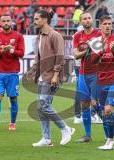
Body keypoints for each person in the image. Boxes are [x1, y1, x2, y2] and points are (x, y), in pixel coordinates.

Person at [27, 10, 75, 147]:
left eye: (37, 19)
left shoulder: (55, 35)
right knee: (41, 108)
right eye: (34, 18)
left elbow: (60, 57)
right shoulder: (39, 37)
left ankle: (65, 129)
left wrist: (55, 74)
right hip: (42, 76)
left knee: (43, 105)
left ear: (45, 20)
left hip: (52, 76)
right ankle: (46, 139)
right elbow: (38, 57)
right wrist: (32, 71)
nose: (34, 21)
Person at [91, 15, 114, 150]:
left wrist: (113, 50)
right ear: (100, 26)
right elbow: (92, 62)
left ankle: (111, 141)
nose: (107, 26)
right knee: (102, 110)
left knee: (108, 109)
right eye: (104, 24)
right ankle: (108, 139)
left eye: (109, 24)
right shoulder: (95, 42)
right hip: (100, 81)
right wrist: (101, 52)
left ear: (112, 26)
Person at [0, 14, 25, 131]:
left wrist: (11, 49)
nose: (6, 23)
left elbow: (22, 53)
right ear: (0, 23)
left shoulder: (18, 36)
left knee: (13, 98)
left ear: (11, 22)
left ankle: (12, 123)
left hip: (13, 73)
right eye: (4, 21)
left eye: (8, 20)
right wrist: (3, 50)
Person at [73, 12, 102, 143]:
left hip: (97, 73)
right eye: (84, 19)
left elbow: (103, 52)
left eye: (89, 18)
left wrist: (94, 50)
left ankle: (109, 134)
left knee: (96, 104)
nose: (87, 20)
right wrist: (87, 50)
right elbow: (76, 55)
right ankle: (87, 135)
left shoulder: (99, 35)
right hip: (83, 73)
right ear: (80, 22)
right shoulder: (77, 36)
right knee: (84, 103)